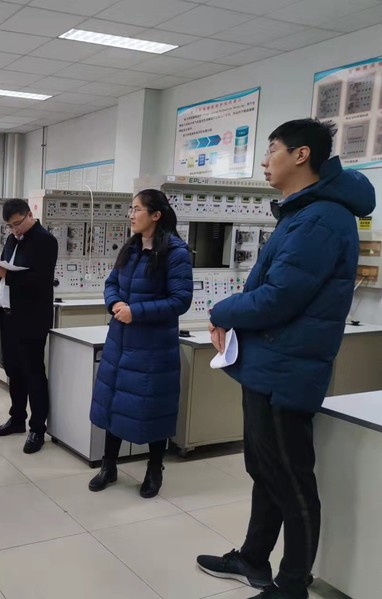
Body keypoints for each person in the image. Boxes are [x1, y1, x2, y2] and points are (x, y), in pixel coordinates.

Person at [196, 119, 376, 599]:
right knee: (266, 471)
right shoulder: (303, 214)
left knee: (292, 483)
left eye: (272, 149)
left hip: (287, 371)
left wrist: (221, 310)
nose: (264, 160)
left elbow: (280, 297)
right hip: (270, 363)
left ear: (301, 155)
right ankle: (253, 558)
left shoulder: (321, 219)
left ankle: (292, 584)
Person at [88, 190, 193, 497]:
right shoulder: (131, 247)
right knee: (115, 403)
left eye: (136, 209)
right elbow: (111, 283)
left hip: (153, 348)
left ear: (156, 215)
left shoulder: (175, 252)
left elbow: (180, 300)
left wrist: (136, 312)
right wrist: (114, 303)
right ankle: (108, 466)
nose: (131, 215)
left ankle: (154, 469)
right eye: (131, 209)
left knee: (152, 408)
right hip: (120, 342)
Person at [0, 198, 58, 454]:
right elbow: (8, 272)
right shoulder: (11, 240)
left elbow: (41, 280)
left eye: (17, 223)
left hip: (31, 319)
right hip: (8, 316)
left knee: (33, 373)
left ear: (29, 215)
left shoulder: (45, 241)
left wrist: (8, 275)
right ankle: (17, 418)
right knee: (13, 371)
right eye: (10, 226)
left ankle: (37, 428)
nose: (15, 229)